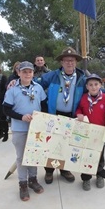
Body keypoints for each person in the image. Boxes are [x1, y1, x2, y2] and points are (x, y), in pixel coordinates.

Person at [38, 47, 86, 184]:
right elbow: (35, 83)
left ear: (76, 62)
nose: (69, 63)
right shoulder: (53, 75)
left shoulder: (82, 77)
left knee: (66, 144)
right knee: (51, 144)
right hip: (54, 114)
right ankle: (49, 171)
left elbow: (97, 88)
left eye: (72, 60)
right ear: (62, 62)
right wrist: (14, 81)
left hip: (71, 116)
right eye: (66, 60)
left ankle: (64, 169)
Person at [3, 61, 47, 201]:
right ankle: (22, 184)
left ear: (33, 73)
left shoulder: (38, 88)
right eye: (24, 71)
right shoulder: (12, 89)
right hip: (19, 128)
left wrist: (42, 119)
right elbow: (6, 109)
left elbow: (44, 105)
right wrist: (21, 117)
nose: (27, 74)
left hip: (36, 129)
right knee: (21, 157)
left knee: (33, 155)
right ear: (18, 73)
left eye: (30, 71)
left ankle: (33, 180)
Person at [76, 74, 105, 191]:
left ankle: (100, 175)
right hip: (86, 132)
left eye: (96, 84)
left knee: (99, 155)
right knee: (85, 155)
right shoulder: (84, 98)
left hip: (101, 132)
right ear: (87, 86)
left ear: (100, 85)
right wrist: (79, 114)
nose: (93, 87)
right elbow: (79, 108)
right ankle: (86, 178)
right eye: (90, 85)